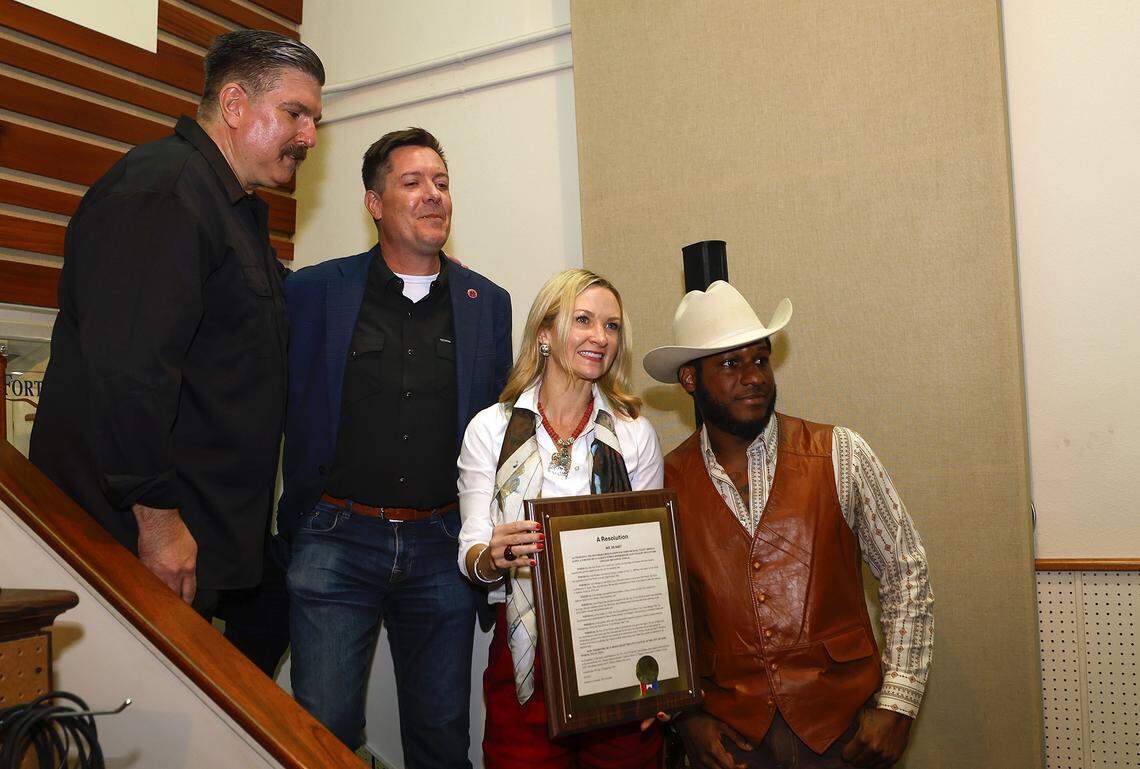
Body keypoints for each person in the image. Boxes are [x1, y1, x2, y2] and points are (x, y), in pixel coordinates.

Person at [29, 30, 324, 676]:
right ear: (237, 103)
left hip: (208, 537)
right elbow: (131, 373)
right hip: (136, 538)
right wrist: (158, 521)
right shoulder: (165, 192)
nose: (309, 136)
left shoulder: (235, 209)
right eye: (296, 113)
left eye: (315, 121)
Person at [278, 127, 511, 765]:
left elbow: (500, 435)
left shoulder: (486, 303)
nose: (433, 195)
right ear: (374, 204)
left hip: (441, 551)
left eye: (441, 182)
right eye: (412, 183)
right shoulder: (313, 294)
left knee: (440, 737)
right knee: (319, 735)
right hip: (334, 542)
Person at [642, 281, 933, 769]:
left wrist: (897, 707)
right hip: (731, 745)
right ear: (690, 380)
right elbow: (654, 615)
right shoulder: (663, 484)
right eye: (731, 364)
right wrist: (684, 714)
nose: (753, 376)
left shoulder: (840, 453)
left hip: (846, 733)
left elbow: (907, 574)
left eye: (761, 358)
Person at [457, 268, 665, 769]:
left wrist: (660, 681)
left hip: (618, 650)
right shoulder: (492, 429)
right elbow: (471, 553)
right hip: (527, 654)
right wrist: (494, 556)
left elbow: (652, 569)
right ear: (545, 334)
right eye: (584, 320)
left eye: (612, 326)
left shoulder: (634, 435)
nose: (600, 337)